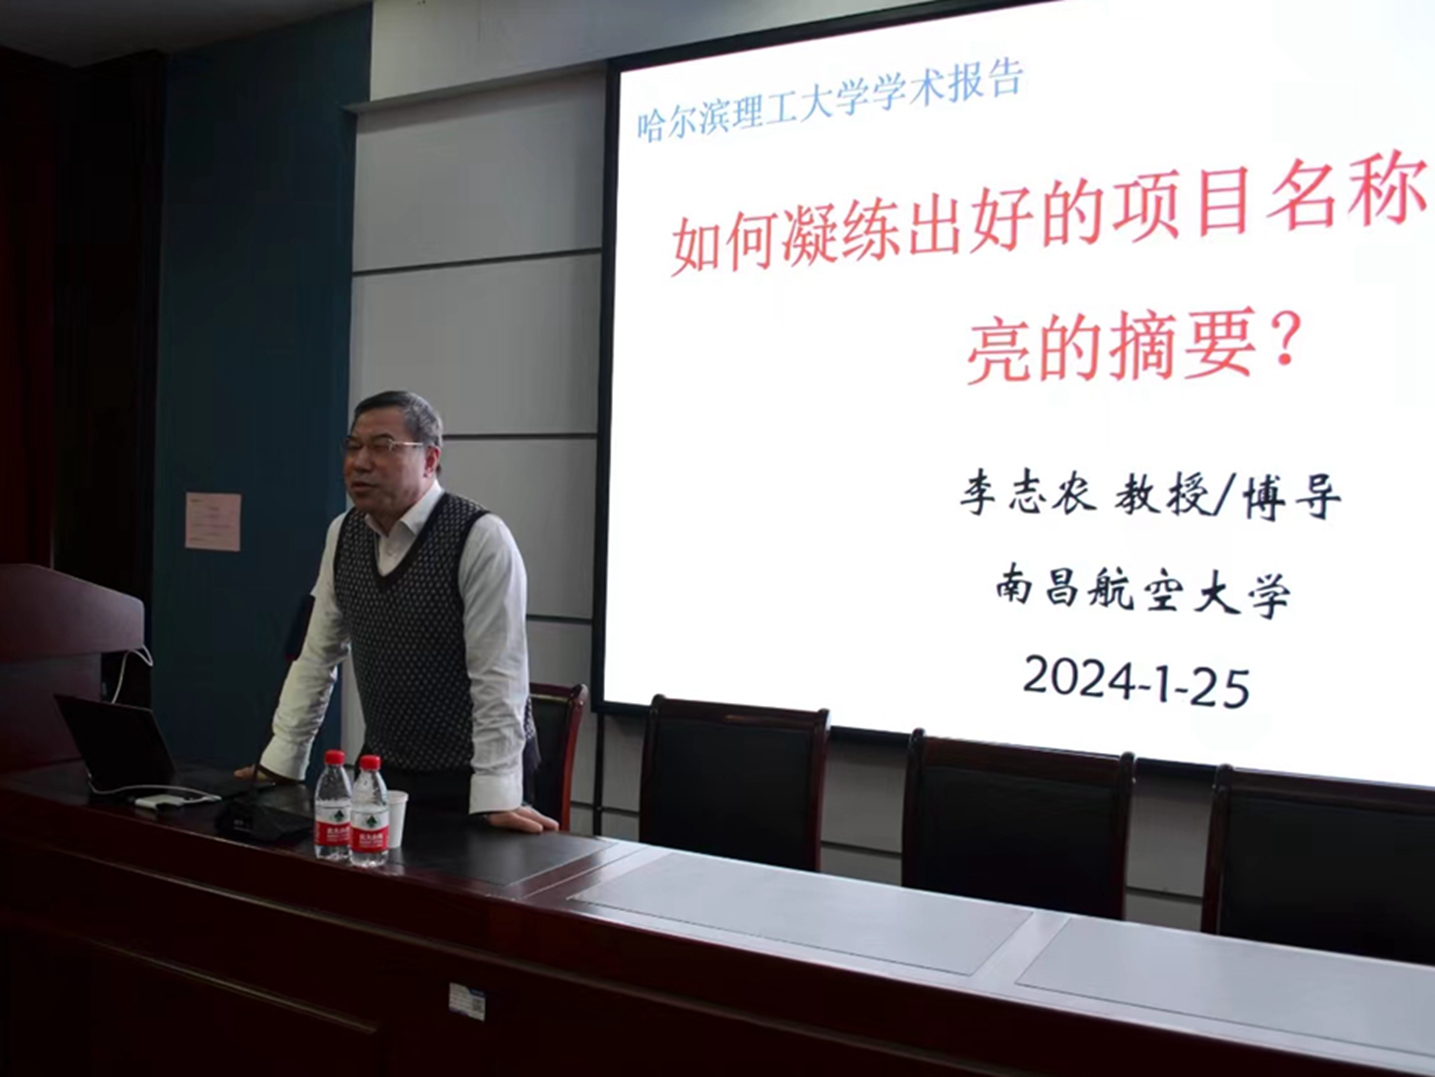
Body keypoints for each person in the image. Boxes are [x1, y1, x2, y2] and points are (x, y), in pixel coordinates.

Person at [236, 389, 557, 834]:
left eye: (382, 446)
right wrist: (283, 760)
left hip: (472, 776)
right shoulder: (343, 533)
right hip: (383, 770)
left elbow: (499, 676)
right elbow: (317, 654)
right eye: (353, 446)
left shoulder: (479, 537)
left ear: (430, 460)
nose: (360, 462)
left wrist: (496, 794)